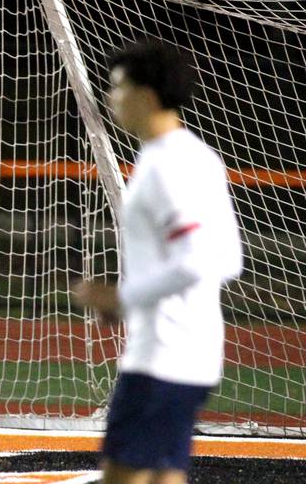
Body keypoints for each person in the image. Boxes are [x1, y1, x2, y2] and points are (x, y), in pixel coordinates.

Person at [71, 40, 243, 484]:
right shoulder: (197, 157)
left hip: (162, 356)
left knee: (122, 477)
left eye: (117, 87)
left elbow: (200, 259)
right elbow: (229, 259)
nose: (111, 98)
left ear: (146, 96)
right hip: (193, 352)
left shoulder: (167, 165)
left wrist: (122, 296)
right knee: (164, 476)